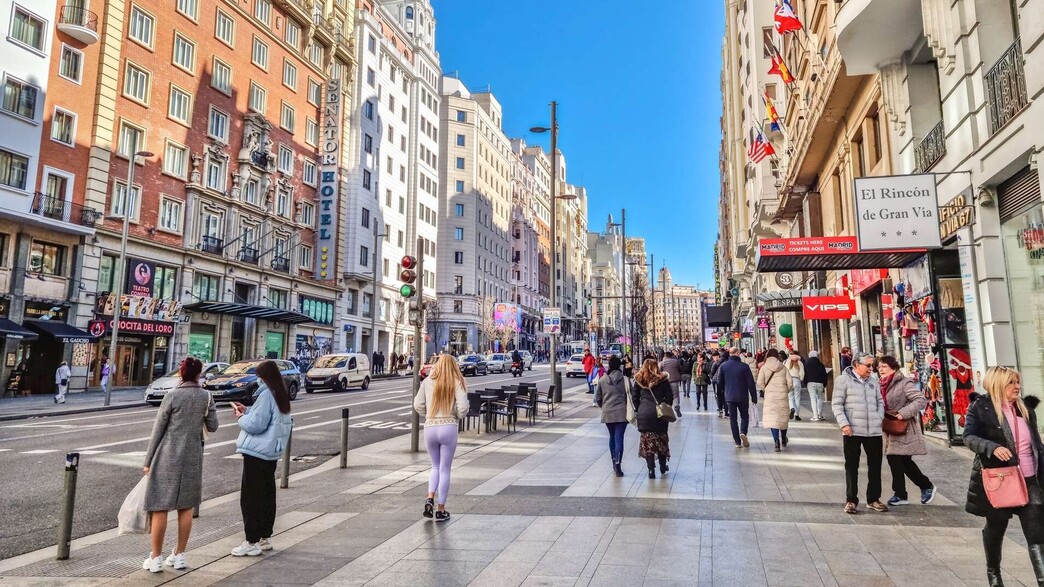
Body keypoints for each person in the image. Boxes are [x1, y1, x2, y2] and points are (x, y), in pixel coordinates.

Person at [965, 366, 1044, 587]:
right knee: (996, 528)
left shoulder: (1026, 409)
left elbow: (1034, 444)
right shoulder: (981, 408)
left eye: (1018, 382)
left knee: (1037, 537)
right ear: (998, 384)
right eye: (1011, 383)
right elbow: (969, 436)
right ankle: (994, 573)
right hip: (1001, 479)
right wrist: (991, 447)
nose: (1017, 386)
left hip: (1031, 480)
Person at [141, 358, 219, 572]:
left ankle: (156, 558)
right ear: (199, 374)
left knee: (160, 507)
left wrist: (148, 461)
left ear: (181, 374)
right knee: (186, 507)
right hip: (193, 456)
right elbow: (213, 426)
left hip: (167, 455)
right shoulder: (206, 396)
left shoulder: (172, 395)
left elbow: (158, 431)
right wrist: (209, 410)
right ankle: (179, 555)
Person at [230, 360, 293, 557]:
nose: (257, 380)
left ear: (264, 377)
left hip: (257, 452)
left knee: (251, 497)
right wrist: (248, 410)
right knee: (266, 494)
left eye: (259, 376)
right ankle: (265, 536)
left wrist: (241, 417)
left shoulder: (266, 394)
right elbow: (269, 419)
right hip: (271, 452)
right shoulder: (279, 393)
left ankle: (251, 541)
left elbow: (256, 425)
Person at [413, 354, 469, 522]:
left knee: (434, 466)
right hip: (448, 426)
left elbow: (417, 405)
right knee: (445, 469)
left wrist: (428, 415)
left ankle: (430, 496)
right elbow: (464, 407)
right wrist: (456, 416)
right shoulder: (456, 381)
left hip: (430, 426)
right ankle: (441, 509)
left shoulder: (427, 381)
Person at [833, 352, 888, 514]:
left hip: (873, 431)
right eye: (868, 365)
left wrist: (878, 417)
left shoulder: (873, 381)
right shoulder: (843, 380)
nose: (872, 368)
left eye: (872, 365)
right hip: (852, 430)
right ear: (857, 365)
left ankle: (873, 498)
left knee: (875, 466)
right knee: (851, 466)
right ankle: (851, 500)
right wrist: (844, 424)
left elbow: (880, 401)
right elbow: (837, 404)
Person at [878, 356, 936, 507]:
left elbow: (920, 400)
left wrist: (903, 413)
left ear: (893, 367)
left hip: (903, 427)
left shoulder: (904, 383)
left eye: (883, 366)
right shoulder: (879, 384)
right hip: (889, 427)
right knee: (902, 461)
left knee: (896, 459)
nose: (880, 369)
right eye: (879, 367)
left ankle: (903, 493)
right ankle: (923, 487)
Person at [632, 358, 673, 478]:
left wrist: (639, 408)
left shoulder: (639, 380)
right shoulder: (663, 380)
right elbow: (670, 397)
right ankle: (662, 464)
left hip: (644, 413)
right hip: (659, 414)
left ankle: (651, 469)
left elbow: (635, 398)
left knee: (647, 442)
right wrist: (665, 405)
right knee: (661, 439)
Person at [595, 356, 630, 477]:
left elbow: (597, 399)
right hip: (622, 413)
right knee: (619, 437)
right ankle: (618, 464)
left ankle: (613, 462)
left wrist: (604, 406)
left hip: (608, 412)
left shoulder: (602, 380)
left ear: (609, 366)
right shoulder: (625, 379)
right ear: (619, 366)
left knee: (612, 436)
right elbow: (631, 396)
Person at [716, 347, 758, 448]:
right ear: (738, 353)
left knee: (733, 419)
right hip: (742, 396)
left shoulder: (723, 366)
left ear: (729, 354)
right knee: (744, 415)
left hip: (729, 396)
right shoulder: (744, 367)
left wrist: (723, 392)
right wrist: (754, 397)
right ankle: (743, 431)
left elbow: (719, 382)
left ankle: (737, 442)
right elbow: (751, 383)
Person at [758, 349, 792, 452]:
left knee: (773, 419)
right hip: (782, 395)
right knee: (783, 418)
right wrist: (786, 390)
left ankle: (776, 441)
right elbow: (790, 382)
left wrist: (765, 389)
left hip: (770, 396)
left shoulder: (764, 368)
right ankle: (784, 439)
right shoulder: (783, 367)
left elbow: (760, 382)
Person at [803, 351, 829, 421]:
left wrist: (805, 382)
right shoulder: (821, 365)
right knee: (820, 398)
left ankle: (815, 415)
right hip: (820, 383)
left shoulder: (806, 364)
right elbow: (824, 375)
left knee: (813, 399)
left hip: (810, 383)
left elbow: (804, 374)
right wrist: (824, 383)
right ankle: (820, 415)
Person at [659, 350, 684, 418]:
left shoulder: (662, 363)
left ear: (665, 356)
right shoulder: (676, 362)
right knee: (675, 395)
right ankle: (676, 406)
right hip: (675, 381)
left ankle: (668, 410)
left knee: (666, 396)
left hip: (665, 382)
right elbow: (681, 369)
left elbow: (658, 372)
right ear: (671, 356)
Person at [786, 351, 805, 421]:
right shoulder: (800, 363)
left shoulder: (787, 362)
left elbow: (785, 372)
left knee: (790, 397)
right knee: (797, 398)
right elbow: (802, 373)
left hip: (789, 380)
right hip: (796, 380)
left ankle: (792, 408)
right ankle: (797, 415)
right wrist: (800, 379)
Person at [710, 352, 728, 418]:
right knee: (725, 395)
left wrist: (713, 378)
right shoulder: (727, 363)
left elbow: (712, 372)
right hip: (723, 381)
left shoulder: (715, 362)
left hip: (716, 381)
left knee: (718, 395)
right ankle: (726, 411)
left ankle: (720, 409)